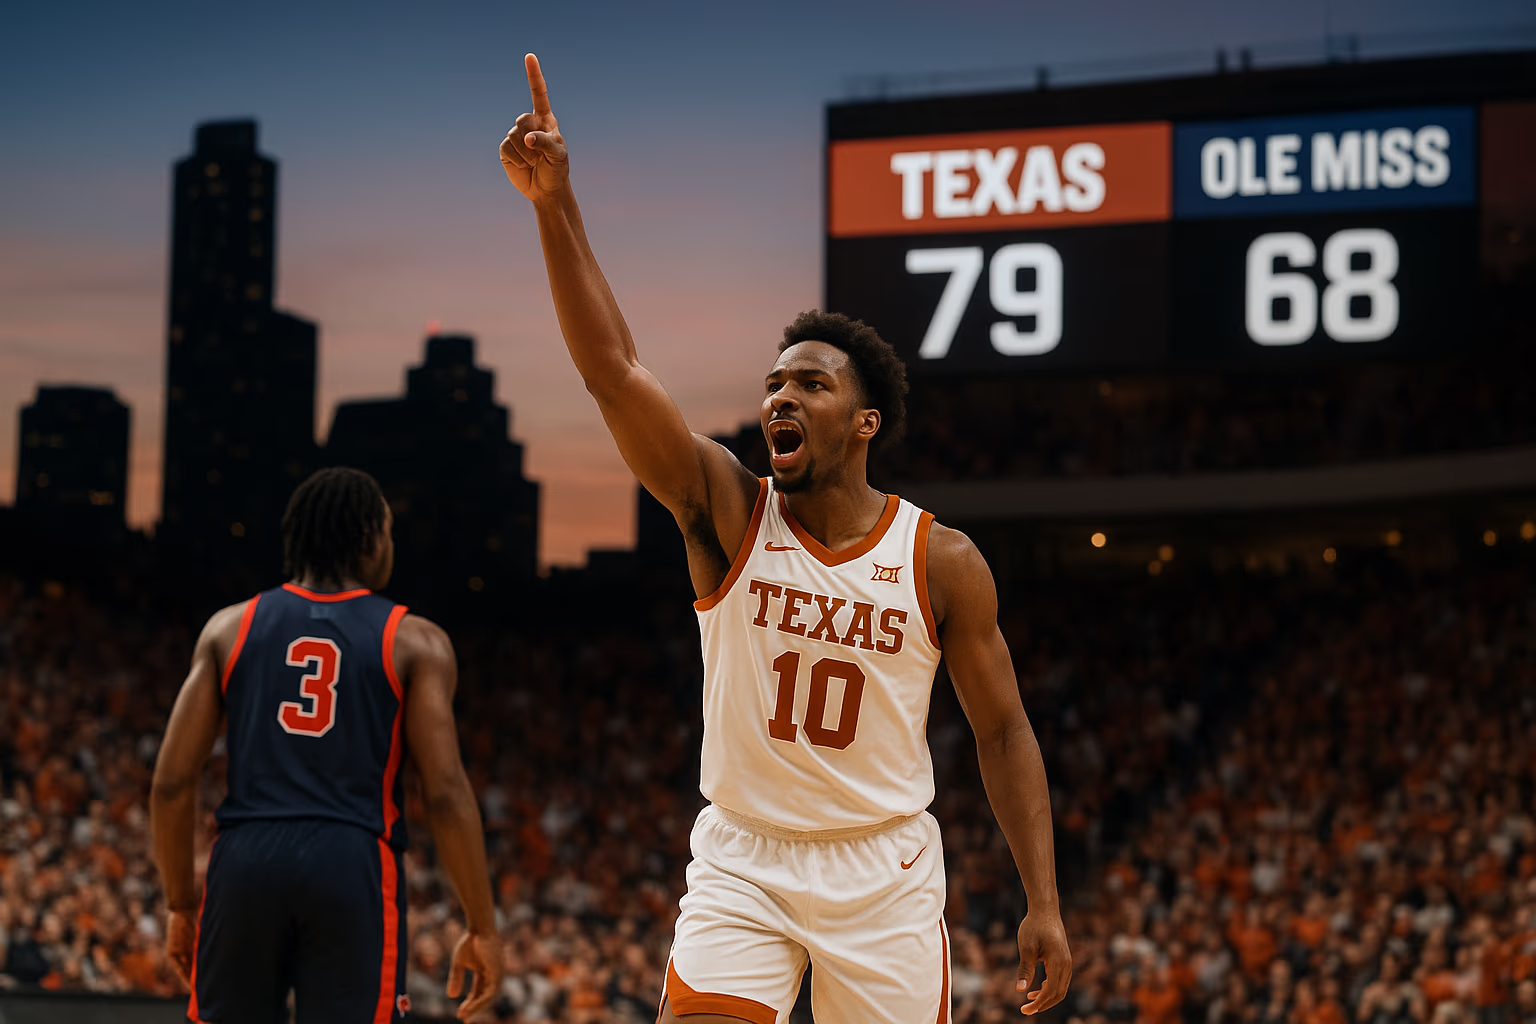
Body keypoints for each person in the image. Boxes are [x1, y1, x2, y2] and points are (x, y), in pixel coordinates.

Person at [500, 54, 1072, 1023]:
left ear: (865, 422)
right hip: (746, 854)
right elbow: (614, 372)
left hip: (883, 865)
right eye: (774, 384)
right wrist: (556, 207)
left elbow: (1004, 729)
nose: (781, 397)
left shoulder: (940, 560)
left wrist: (1045, 901)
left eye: (811, 383)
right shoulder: (729, 509)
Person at [150, 468, 501, 1023]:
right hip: (352, 859)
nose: (391, 544)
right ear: (367, 538)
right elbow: (445, 794)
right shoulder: (416, 640)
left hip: (246, 857)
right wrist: (481, 925)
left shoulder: (227, 628)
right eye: (387, 530)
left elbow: (171, 783)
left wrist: (178, 904)